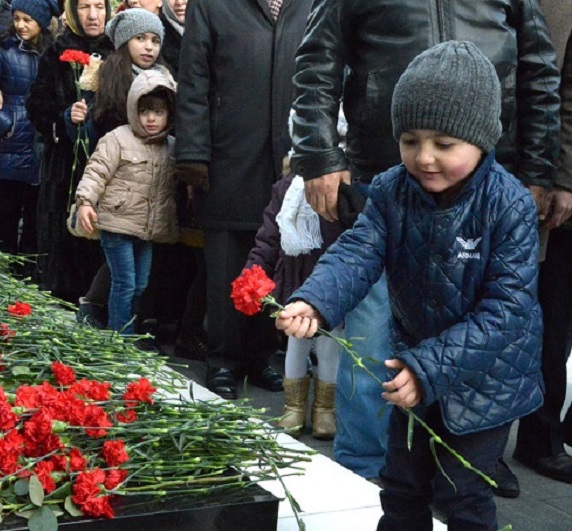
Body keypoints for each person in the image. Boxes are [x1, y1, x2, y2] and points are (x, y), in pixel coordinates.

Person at [291, 0, 560, 491]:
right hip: (383, 170)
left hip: (489, 178)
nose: (429, 153)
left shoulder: (507, 205)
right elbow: (317, 61)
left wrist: (541, 167)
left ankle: (467, 462)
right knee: (373, 345)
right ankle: (364, 479)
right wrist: (318, 152)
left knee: (475, 333)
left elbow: (538, 68)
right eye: (419, 142)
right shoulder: (395, 187)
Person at [174, 0, 312, 399]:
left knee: (278, 257)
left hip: (288, 157)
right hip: (228, 152)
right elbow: (194, 79)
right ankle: (222, 358)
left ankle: (259, 354)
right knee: (226, 263)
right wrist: (193, 154)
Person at [72, 7, 169, 328]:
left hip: (147, 193)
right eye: (140, 38)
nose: (148, 47)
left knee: (134, 278)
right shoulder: (109, 76)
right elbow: (97, 143)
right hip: (116, 181)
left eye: (155, 40)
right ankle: (112, 325)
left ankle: (116, 318)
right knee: (123, 274)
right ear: (125, 41)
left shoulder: (164, 79)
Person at [513, 3, 572, 483]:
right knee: (536, 321)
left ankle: (544, 434)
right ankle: (524, 439)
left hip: (550, 183)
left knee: (554, 328)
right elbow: (556, 97)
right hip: (542, 187)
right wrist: (561, 179)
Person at [243, 167, 342, 439]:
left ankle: (324, 410)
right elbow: (269, 236)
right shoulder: (286, 187)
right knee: (295, 344)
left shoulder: (341, 183)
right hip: (295, 277)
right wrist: (254, 270)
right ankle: (293, 408)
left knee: (329, 345)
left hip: (331, 278)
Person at [25, 0, 113, 304]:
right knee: (61, 233)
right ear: (73, 13)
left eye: (99, 7)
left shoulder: (116, 50)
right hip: (64, 163)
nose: (93, 15)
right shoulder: (56, 51)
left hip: (107, 163)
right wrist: (65, 117)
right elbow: (36, 105)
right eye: (85, 7)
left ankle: (95, 302)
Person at [0, 0, 59, 274]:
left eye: (27, 20)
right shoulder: (3, 47)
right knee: (5, 216)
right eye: (17, 18)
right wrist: (4, 123)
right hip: (9, 145)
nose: (20, 25)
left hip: (40, 147)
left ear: (41, 23)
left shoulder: (53, 51)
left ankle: (30, 274)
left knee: (35, 218)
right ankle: (4, 273)